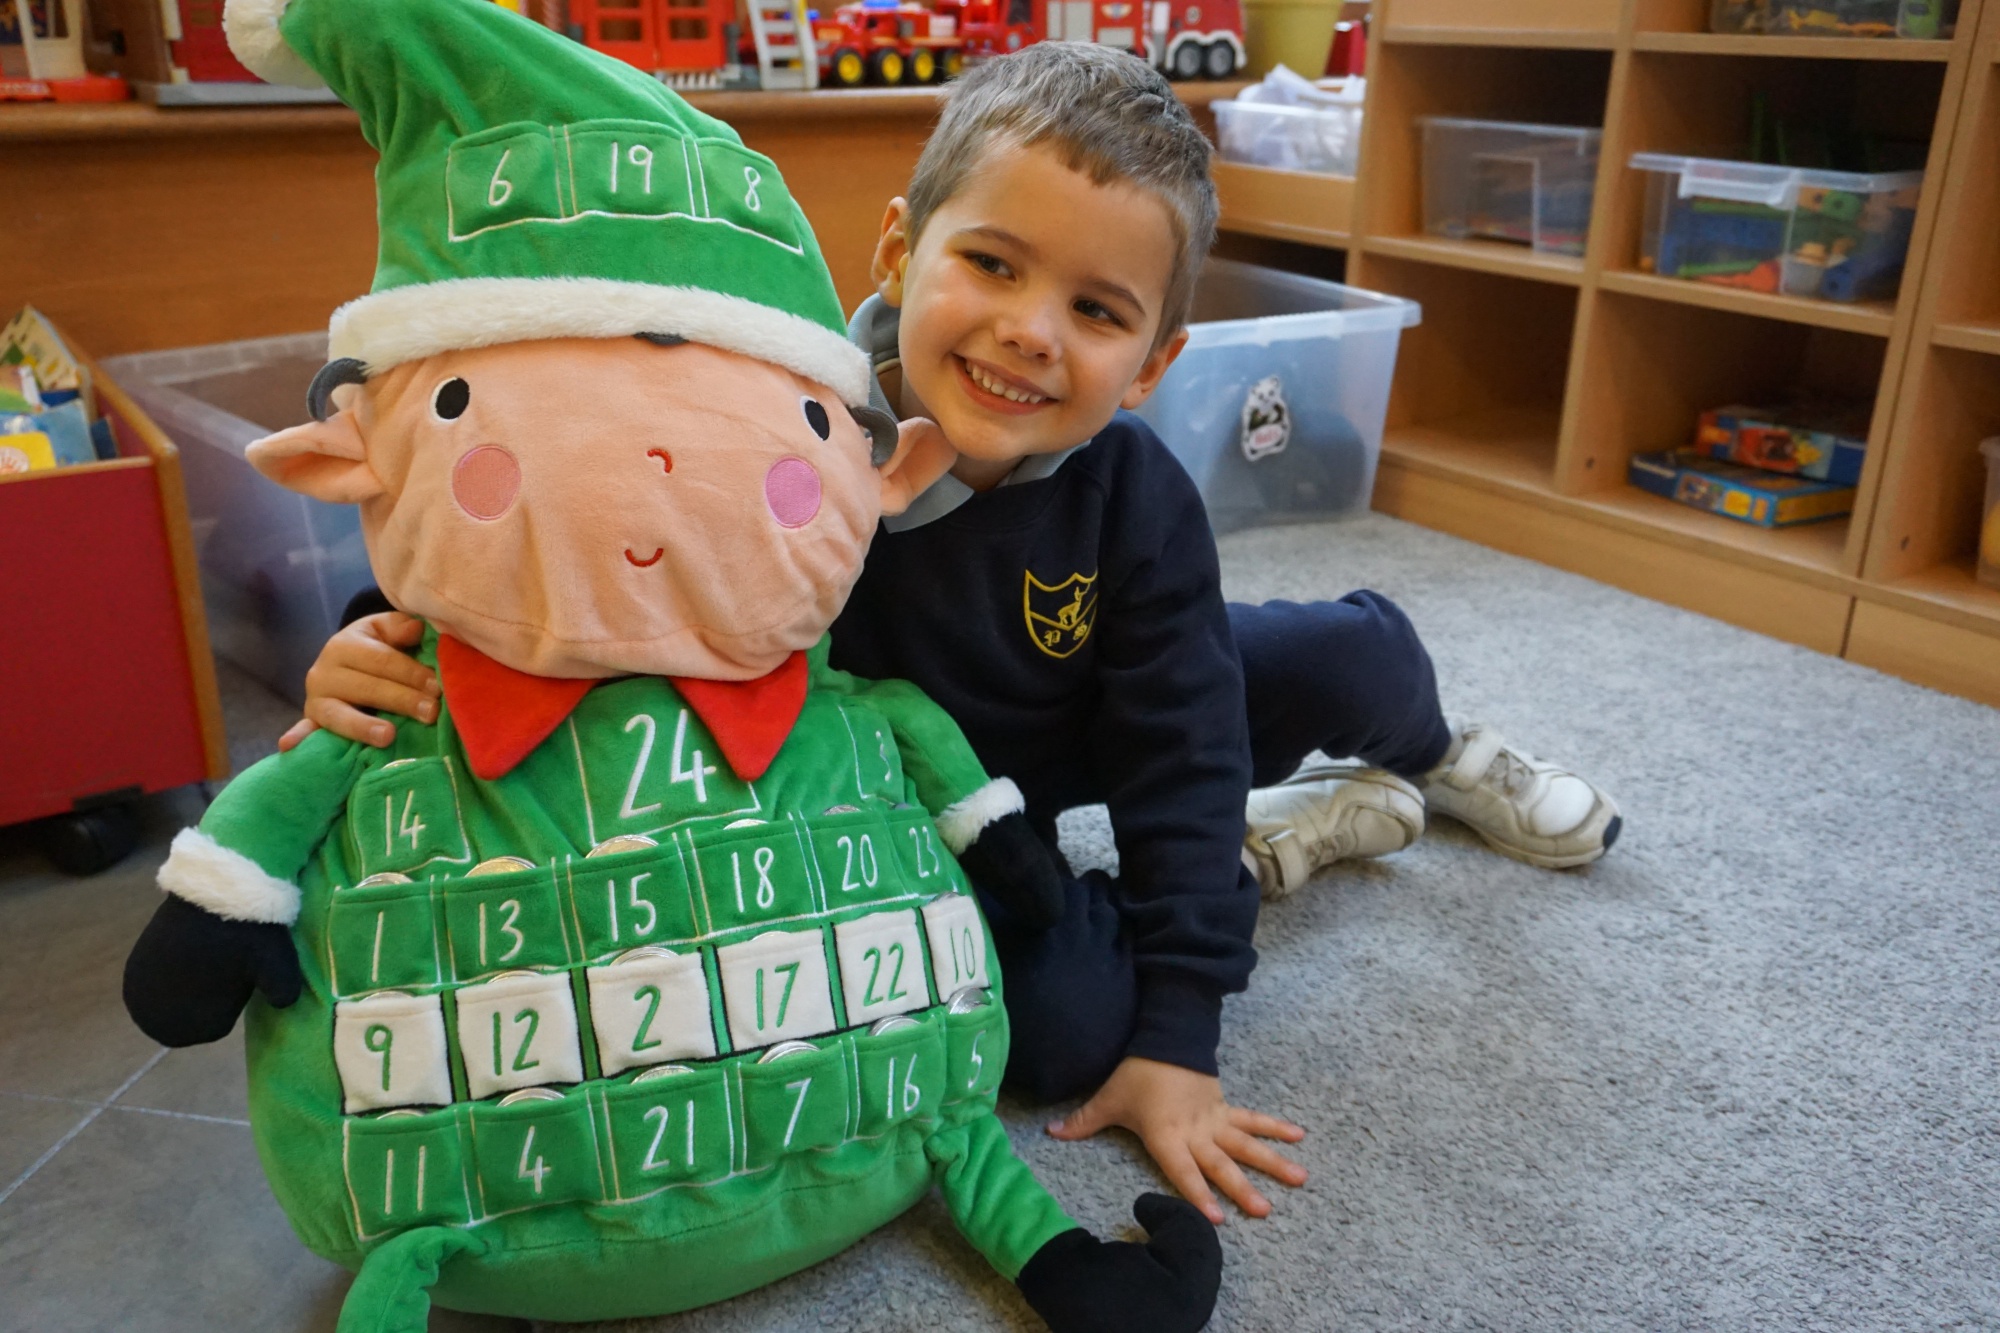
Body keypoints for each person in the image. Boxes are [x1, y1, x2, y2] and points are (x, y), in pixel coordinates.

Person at [285, 42, 1619, 1228]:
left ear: (1155, 362)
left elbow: (1180, 750)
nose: (1029, 332)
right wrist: (376, 639)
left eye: (1098, 313)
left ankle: (1429, 759)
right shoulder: (763, 422)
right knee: (1063, 1034)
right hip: (918, 797)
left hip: (1091, 724)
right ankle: (1282, 849)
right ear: (896, 250)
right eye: (989, 262)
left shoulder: (1136, 491)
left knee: (1348, 670)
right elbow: (562, 544)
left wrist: (1187, 1030)